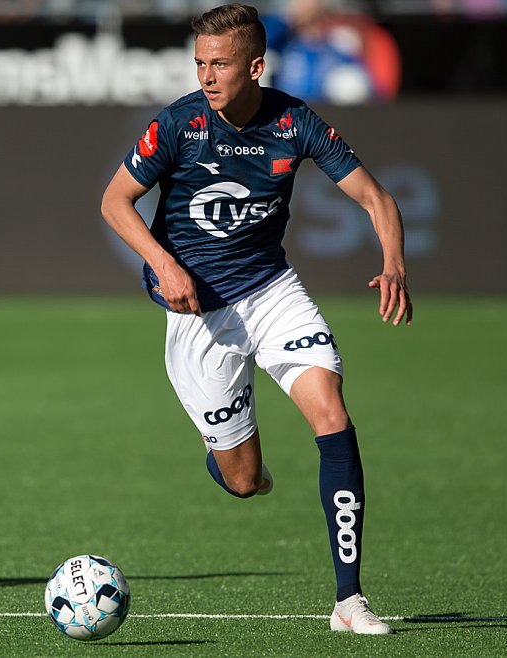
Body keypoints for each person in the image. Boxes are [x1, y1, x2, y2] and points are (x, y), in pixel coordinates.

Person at [100, 3, 409, 635]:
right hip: (198, 316)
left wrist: (395, 261)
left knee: (332, 411)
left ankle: (349, 601)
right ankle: (236, 461)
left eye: (219, 63)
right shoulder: (179, 125)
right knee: (245, 482)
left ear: (256, 66)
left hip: (272, 292)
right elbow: (115, 201)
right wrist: (164, 263)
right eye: (199, 63)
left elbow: (375, 196)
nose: (206, 76)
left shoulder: (294, 122)